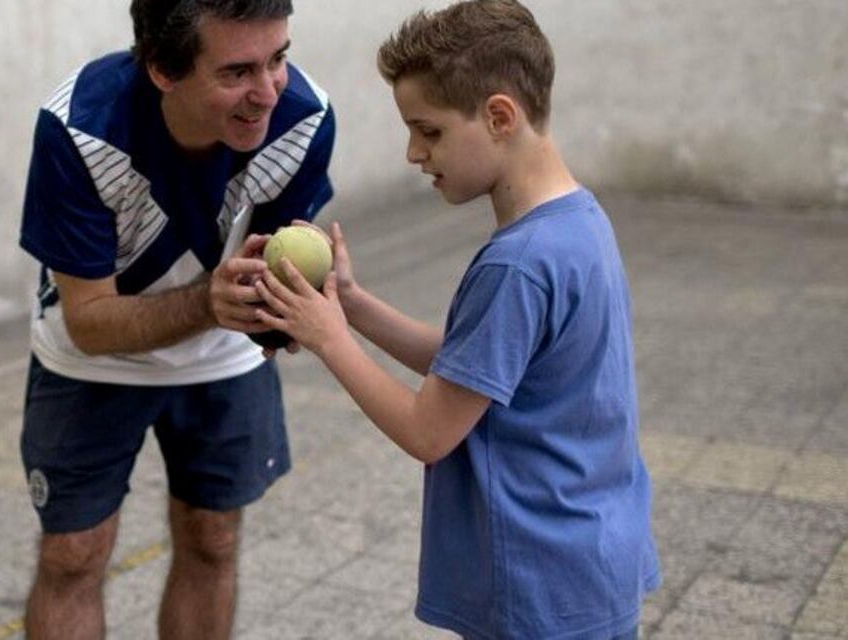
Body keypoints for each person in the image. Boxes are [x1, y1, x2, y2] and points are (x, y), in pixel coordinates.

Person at [254, 1, 660, 638]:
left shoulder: (517, 264)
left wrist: (328, 338)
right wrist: (352, 306)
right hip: (591, 563)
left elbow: (429, 431)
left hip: (536, 584)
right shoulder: (578, 222)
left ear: (499, 116)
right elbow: (476, 361)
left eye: (430, 130)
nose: (413, 152)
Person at [16, 0, 335, 637]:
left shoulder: (305, 118)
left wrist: (287, 317)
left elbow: (271, 274)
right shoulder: (79, 128)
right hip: (92, 359)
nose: (268, 92)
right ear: (163, 67)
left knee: (213, 537)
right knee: (73, 556)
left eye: (279, 58)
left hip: (223, 352)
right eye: (237, 71)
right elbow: (91, 322)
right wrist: (207, 303)